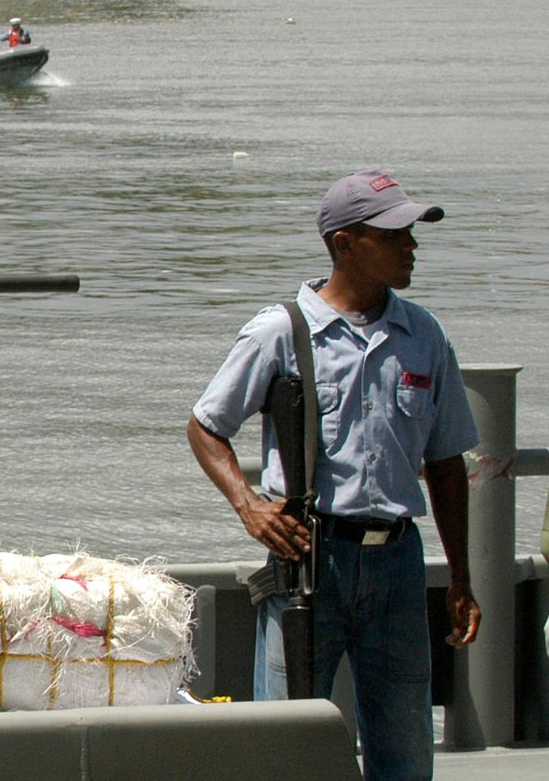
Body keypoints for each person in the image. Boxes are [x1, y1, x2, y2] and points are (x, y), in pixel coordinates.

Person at [187, 171, 482, 781]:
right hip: (310, 563)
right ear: (345, 243)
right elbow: (206, 426)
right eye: (394, 234)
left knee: (405, 749)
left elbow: (446, 463)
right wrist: (249, 506)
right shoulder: (282, 332)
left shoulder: (423, 335)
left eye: (411, 233)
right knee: (286, 743)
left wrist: (460, 578)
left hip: (398, 564)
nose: (411, 246)